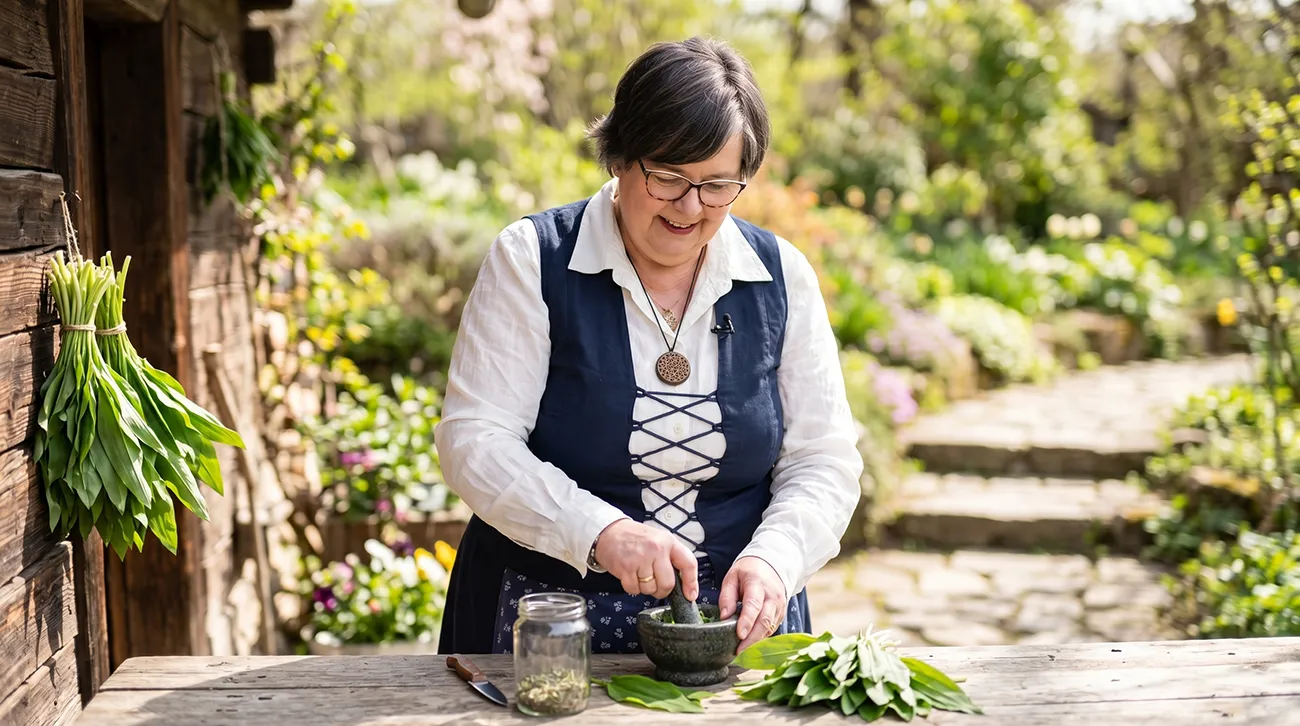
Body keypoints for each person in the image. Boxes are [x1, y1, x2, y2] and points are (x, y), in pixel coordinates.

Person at [434, 35, 862, 656]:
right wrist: (599, 530)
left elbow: (823, 457)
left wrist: (776, 558)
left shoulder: (782, 275)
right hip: (550, 620)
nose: (691, 207)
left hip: (737, 624)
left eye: (719, 186)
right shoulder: (532, 259)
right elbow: (474, 438)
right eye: (668, 178)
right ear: (618, 156)